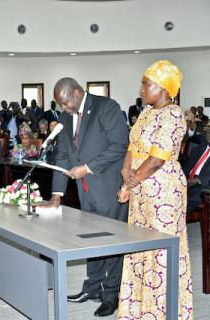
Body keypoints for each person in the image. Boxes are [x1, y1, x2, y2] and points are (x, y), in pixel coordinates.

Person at [43, 77, 129, 317]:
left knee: (111, 242)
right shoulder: (64, 118)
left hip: (109, 189)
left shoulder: (107, 107)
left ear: (77, 93)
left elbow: (120, 146)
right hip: (85, 192)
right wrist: (57, 194)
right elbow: (62, 156)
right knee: (91, 241)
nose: (63, 108)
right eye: (60, 104)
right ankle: (91, 287)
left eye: (65, 102)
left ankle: (112, 295)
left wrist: (88, 168)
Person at [117, 60, 193, 320]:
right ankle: (140, 310)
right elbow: (131, 148)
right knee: (140, 247)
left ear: (162, 88)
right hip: (141, 191)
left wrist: (130, 181)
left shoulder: (173, 114)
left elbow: (158, 158)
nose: (141, 88)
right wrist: (125, 173)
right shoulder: (147, 113)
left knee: (161, 250)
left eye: (146, 83)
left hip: (163, 192)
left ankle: (164, 311)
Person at [184, 126, 210, 213]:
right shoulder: (198, 149)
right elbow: (186, 168)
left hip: (203, 187)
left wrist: (196, 180)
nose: (208, 134)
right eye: (208, 132)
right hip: (186, 182)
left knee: (186, 201)